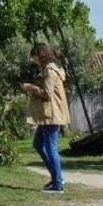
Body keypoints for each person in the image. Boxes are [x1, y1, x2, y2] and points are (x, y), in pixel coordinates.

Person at [21, 42, 70, 193]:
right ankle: (56, 178)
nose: (33, 60)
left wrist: (30, 87)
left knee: (51, 147)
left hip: (51, 115)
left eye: (34, 57)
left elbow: (47, 94)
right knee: (38, 144)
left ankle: (58, 183)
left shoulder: (50, 70)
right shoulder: (49, 69)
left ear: (40, 55)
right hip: (47, 115)